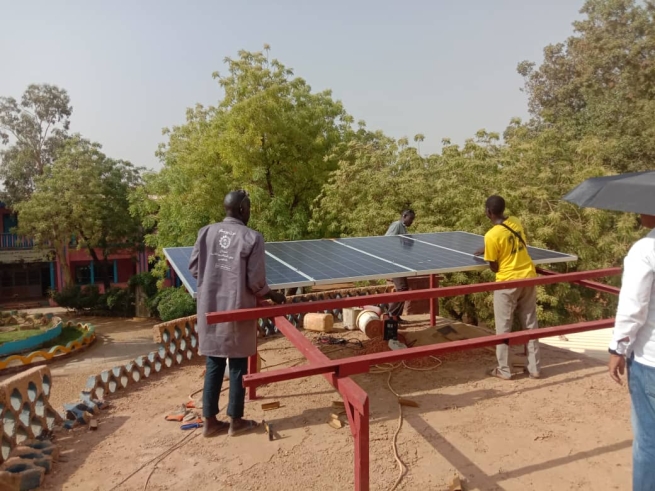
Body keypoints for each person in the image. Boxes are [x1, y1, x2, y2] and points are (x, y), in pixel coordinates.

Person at [189, 190, 286, 437]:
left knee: (214, 362)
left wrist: (216, 281)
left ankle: (210, 423)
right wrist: (272, 295)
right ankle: (236, 421)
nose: (250, 211)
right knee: (238, 363)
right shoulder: (252, 237)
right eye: (249, 207)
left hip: (209, 308)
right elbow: (256, 282)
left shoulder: (206, 232)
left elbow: (194, 269)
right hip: (237, 308)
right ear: (242, 208)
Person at [608, 214, 655, 491]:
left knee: (649, 440)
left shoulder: (645, 249)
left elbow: (633, 308)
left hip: (650, 362)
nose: (637, 213)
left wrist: (617, 348)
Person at [474, 195, 540, 380]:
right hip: (528, 277)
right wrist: (487, 248)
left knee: (503, 327)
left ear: (488, 212)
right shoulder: (516, 221)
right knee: (531, 324)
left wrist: (488, 254)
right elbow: (511, 242)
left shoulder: (491, 235)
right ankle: (534, 369)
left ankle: (504, 370)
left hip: (507, 282)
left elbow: (494, 266)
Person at [385, 209, 416, 323]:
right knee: (402, 289)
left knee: (404, 289)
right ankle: (390, 315)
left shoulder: (403, 228)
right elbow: (388, 240)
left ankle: (396, 316)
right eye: (411, 218)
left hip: (399, 263)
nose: (412, 221)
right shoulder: (397, 225)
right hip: (394, 263)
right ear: (404, 216)